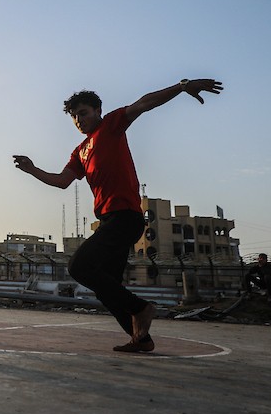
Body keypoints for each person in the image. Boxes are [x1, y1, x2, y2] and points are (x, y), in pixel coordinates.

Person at [13, 78, 223, 353]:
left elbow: (144, 103)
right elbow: (62, 181)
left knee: (79, 267)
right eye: (74, 117)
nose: (79, 120)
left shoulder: (110, 126)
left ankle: (141, 308)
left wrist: (181, 87)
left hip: (125, 216)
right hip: (108, 221)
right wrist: (32, 170)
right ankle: (141, 339)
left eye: (83, 113)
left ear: (98, 111)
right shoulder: (80, 151)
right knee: (106, 286)